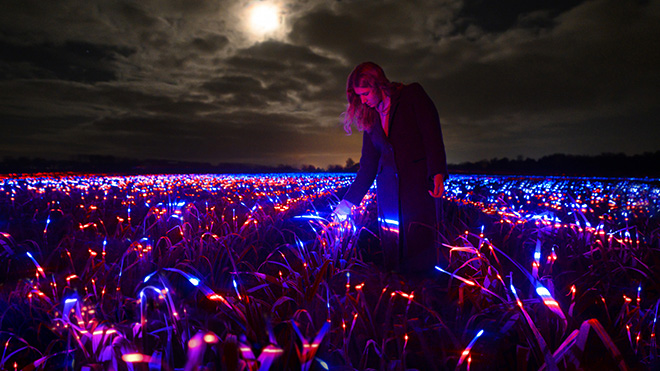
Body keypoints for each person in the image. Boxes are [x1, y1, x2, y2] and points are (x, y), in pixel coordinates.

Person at [333, 62, 448, 276]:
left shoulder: (412, 95)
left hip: (418, 189)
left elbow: (431, 134)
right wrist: (348, 203)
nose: (363, 100)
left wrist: (438, 173)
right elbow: (367, 166)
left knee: (420, 249)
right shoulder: (370, 119)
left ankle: (424, 296)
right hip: (387, 196)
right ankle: (396, 295)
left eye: (366, 93)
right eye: (359, 96)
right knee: (393, 253)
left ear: (378, 84)